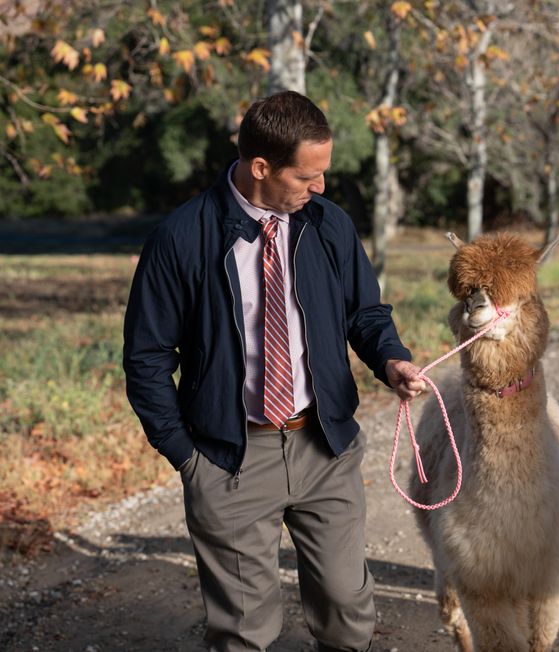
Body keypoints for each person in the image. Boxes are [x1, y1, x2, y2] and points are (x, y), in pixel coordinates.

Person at [123, 90, 426, 652]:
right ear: (261, 167)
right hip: (230, 458)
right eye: (306, 176)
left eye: (323, 173)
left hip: (325, 447)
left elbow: (365, 313)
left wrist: (390, 359)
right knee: (244, 629)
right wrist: (188, 459)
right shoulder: (180, 238)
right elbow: (146, 358)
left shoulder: (329, 224)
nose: (321, 187)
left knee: (346, 608)